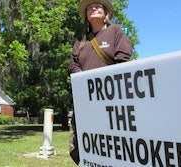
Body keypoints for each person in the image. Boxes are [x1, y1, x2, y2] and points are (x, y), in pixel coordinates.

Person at [68, 0, 133, 165]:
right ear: (86, 16)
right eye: (90, 7)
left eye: (98, 6)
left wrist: (101, 81)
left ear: (105, 13)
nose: (93, 8)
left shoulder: (115, 31)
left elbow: (123, 59)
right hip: (84, 102)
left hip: (110, 101)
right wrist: (84, 79)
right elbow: (72, 64)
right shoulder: (81, 39)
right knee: (81, 147)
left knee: (111, 146)